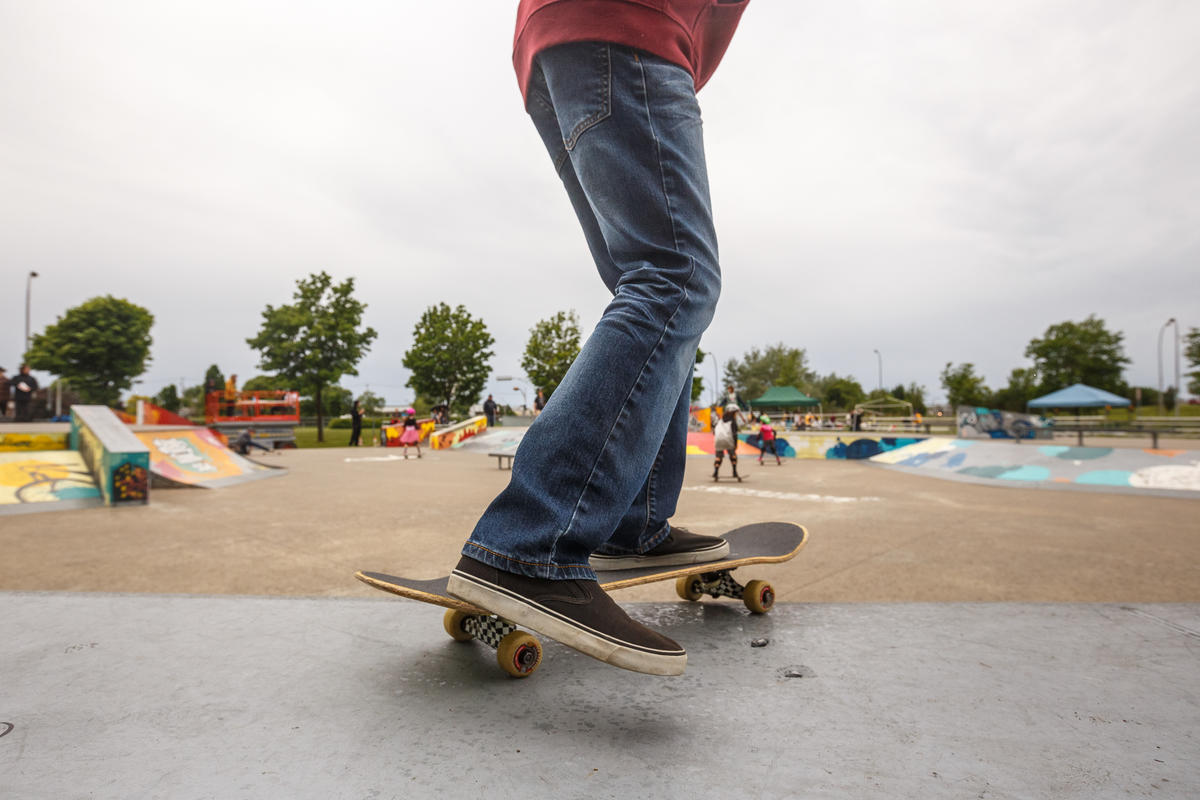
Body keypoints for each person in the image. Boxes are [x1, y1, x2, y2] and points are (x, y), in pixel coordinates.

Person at [446, 0, 748, 677]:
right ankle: (531, 544)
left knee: (658, 290)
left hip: (567, 44)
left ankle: (632, 523)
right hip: (626, 29)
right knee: (676, 280)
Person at [712, 404, 742, 482]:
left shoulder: (720, 420)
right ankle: (734, 472)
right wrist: (735, 444)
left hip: (718, 440)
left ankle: (716, 472)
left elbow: (714, 430)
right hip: (729, 440)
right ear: (733, 412)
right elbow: (735, 434)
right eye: (735, 412)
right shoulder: (733, 421)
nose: (736, 414)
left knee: (718, 457)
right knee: (733, 456)